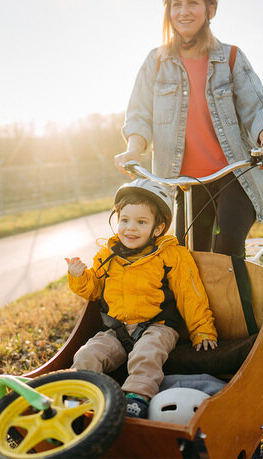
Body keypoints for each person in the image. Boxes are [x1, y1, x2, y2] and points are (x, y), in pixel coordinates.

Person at [114, 0, 263, 258]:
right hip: (185, 184)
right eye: (176, 4)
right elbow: (139, 115)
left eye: (193, 3)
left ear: (210, 10)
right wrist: (133, 150)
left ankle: (240, 305)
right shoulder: (155, 63)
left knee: (226, 251)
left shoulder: (230, 58)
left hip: (235, 176)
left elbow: (258, 107)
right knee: (185, 259)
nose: (184, 11)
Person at [65, 178, 218, 418]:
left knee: (146, 354)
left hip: (158, 327)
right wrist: (79, 276)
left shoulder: (171, 255)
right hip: (117, 329)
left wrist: (202, 330)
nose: (130, 228)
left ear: (158, 228)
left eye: (141, 222)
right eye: (124, 220)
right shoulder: (108, 255)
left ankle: (136, 398)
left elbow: (191, 295)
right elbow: (94, 291)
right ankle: (75, 400)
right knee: (87, 354)